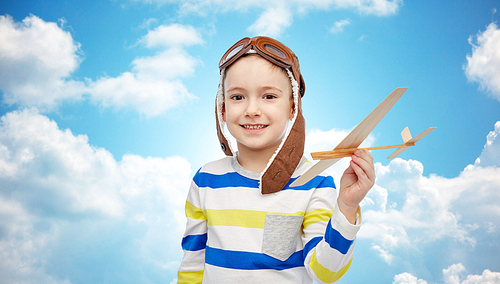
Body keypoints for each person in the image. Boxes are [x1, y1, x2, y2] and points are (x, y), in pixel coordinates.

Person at [177, 36, 375, 284]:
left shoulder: (314, 183)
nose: (252, 110)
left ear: (293, 107)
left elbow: (326, 272)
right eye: (238, 97)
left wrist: (346, 208)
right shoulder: (206, 180)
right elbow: (192, 264)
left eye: (269, 96)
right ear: (222, 108)